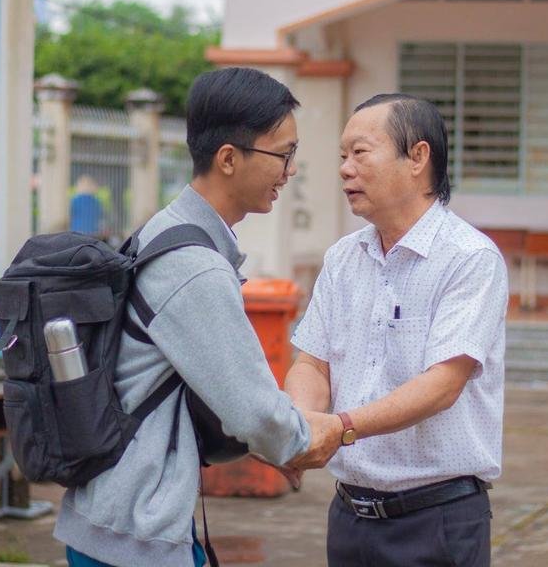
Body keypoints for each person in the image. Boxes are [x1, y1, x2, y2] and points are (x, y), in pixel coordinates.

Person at [55, 67, 343, 567]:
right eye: (283, 154)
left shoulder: (165, 230)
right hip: (134, 533)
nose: (290, 170)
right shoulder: (195, 267)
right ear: (229, 159)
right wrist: (311, 437)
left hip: (114, 517)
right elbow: (251, 409)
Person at [284, 93, 509, 567]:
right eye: (342, 157)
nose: (346, 169)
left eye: (360, 153)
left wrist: (340, 428)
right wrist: (303, 425)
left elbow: (443, 385)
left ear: (418, 158)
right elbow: (312, 361)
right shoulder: (343, 258)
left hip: (437, 521)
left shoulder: (469, 258)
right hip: (349, 517)